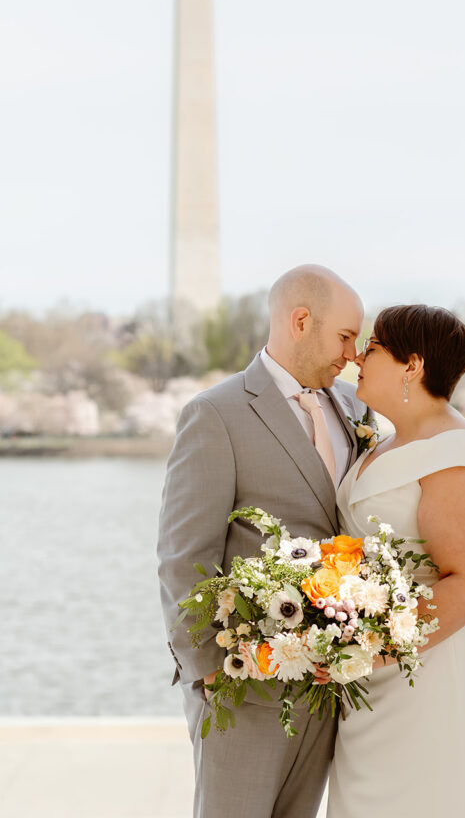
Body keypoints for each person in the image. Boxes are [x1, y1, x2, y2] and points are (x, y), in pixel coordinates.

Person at [157, 264, 369, 818]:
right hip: (242, 686)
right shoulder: (216, 413)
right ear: (301, 320)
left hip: (327, 682)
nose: (353, 354)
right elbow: (185, 554)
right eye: (345, 337)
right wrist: (208, 671)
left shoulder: (353, 410)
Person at [327, 304, 465, 818]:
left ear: (412, 365)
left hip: (435, 673)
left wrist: (373, 648)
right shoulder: (387, 441)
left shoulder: (456, 453)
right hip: (374, 675)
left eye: (373, 347)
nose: (357, 357)